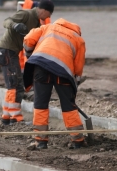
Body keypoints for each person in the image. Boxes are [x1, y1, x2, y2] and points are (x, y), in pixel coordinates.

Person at [23, 18, 86, 150]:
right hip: (62, 71)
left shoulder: (48, 27)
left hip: (41, 66)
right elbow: (78, 67)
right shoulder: (79, 39)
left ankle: (40, 141)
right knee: (68, 105)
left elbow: (28, 39)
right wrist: (74, 84)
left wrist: (29, 53)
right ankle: (78, 140)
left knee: (40, 103)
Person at [0, 0, 53, 125]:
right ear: (43, 10)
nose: (47, 18)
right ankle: (15, 118)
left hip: (12, 52)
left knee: (14, 85)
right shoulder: (26, 14)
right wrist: (15, 25)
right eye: (47, 15)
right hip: (6, 51)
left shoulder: (37, 24)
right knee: (15, 85)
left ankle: (6, 117)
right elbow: (6, 21)